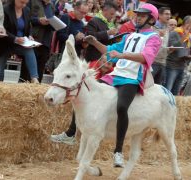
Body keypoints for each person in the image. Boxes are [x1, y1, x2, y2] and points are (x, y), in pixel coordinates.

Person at [52, 3, 161, 168]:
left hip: (132, 78)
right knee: (82, 90)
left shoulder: (154, 38)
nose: (138, 17)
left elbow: (146, 57)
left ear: (151, 20)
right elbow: (109, 50)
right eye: (137, 15)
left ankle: (118, 152)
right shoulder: (128, 36)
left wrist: (122, 54)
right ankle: (71, 133)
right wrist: (95, 42)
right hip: (115, 76)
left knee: (122, 107)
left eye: (142, 16)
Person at [0, 0, 39, 83]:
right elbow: (1, 29)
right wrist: (15, 39)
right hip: (3, 43)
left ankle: (34, 78)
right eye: (22, 2)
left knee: (29, 50)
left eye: (25, 3)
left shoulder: (26, 10)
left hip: (19, 43)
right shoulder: (5, 9)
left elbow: (29, 26)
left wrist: (30, 36)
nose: (24, 5)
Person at [27, 0, 55, 82]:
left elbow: (53, 22)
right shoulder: (32, 2)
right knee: (28, 69)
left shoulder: (51, 6)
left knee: (40, 70)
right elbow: (26, 18)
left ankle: (36, 91)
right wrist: (38, 20)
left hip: (45, 42)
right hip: (33, 39)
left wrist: (55, 24)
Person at [164, 16, 191, 95]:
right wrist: (183, 37)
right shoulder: (175, 32)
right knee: (167, 90)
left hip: (182, 66)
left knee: (176, 91)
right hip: (172, 66)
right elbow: (171, 48)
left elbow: (187, 50)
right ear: (187, 24)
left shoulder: (189, 35)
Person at [151, 7, 171, 85]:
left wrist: (169, 49)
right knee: (148, 87)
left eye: (169, 14)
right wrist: (158, 35)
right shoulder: (153, 27)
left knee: (158, 88)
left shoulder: (167, 28)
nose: (169, 16)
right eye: (166, 14)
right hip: (153, 62)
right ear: (159, 15)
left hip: (163, 62)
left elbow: (163, 45)